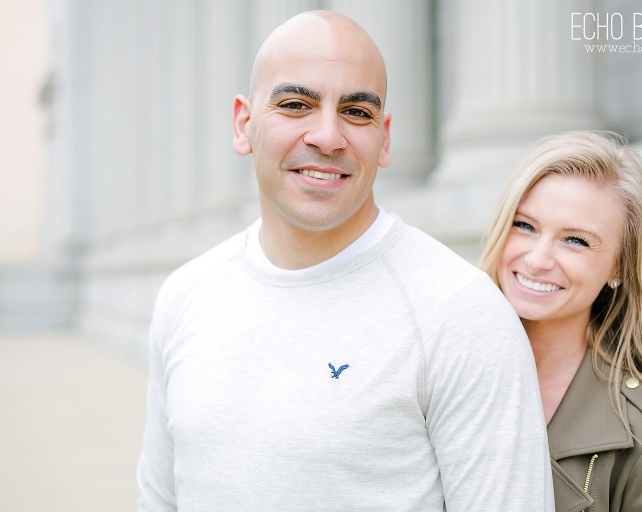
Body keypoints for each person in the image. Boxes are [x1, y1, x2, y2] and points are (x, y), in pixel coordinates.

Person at [137, 10, 553, 511]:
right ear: (243, 126)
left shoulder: (460, 313)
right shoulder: (186, 295)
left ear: (385, 138)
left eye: (357, 112)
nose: (328, 136)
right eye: (296, 104)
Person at [479, 131, 642, 511]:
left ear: (619, 264)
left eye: (576, 240)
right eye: (524, 226)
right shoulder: (435, 367)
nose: (537, 259)